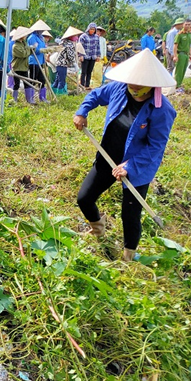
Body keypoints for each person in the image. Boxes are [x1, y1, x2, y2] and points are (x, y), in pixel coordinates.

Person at [73, 49, 177, 261]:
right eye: (131, 84)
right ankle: (97, 229)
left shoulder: (161, 110)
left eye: (139, 87)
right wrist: (82, 111)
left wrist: (129, 166)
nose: (134, 89)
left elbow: (155, 146)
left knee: (130, 214)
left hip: (137, 167)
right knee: (84, 198)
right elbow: (95, 95)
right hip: (108, 156)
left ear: (152, 85)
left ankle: (128, 257)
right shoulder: (119, 89)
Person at [53, 26, 82, 95]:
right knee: (61, 81)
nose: (76, 37)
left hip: (59, 64)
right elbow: (70, 55)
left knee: (57, 80)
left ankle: (53, 93)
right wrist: (75, 64)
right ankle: (60, 96)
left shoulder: (63, 42)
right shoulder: (69, 44)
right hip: (62, 64)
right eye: (75, 36)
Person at [28, 20, 52, 102]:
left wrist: (48, 50)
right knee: (33, 80)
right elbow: (35, 50)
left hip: (41, 61)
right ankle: (30, 98)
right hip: (34, 61)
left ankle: (42, 97)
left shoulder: (41, 38)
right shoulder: (32, 38)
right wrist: (43, 50)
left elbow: (44, 47)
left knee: (42, 80)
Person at [11, 26, 33, 103]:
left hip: (24, 67)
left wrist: (30, 49)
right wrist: (29, 50)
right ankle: (15, 99)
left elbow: (29, 51)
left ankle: (29, 99)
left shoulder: (25, 44)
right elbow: (23, 54)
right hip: (17, 67)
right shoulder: (15, 46)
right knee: (16, 84)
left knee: (27, 83)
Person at [173, 18, 191, 90]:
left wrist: (190, 54)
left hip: (186, 54)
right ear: (183, 25)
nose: (187, 26)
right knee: (179, 71)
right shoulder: (180, 35)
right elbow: (175, 46)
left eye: (189, 25)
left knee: (183, 70)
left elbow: (189, 45)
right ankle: (177, 85)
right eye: (186, 24)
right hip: (181, 54)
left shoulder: (189, 34)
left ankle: (179, 84)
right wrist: (175, 56)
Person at [79, 23, 101, 89]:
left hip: (93, 56)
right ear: (88, 29)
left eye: (93, 29)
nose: (92, 30)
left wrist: (98, 55)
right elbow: (80, 46)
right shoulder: (83, 36)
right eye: (91, 29)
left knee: (89, 71)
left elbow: (98, 47)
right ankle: (82, 85)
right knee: (84, 71)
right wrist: (81, 55)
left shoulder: (96, 37)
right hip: (85, 56)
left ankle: (87, 85)